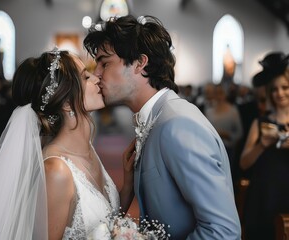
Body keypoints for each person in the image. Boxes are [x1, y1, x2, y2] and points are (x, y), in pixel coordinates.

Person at [84, 14, 241, 239]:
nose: (96, 74)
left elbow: (223, 230)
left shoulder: (178, 125)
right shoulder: (158, 118)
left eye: (105, 63)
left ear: (140, 63)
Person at [0, 48, 135, 239]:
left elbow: (104, 225)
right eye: (86, 77)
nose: (97, 78)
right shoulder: (56, 170)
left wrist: (127, 186)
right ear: (66, 104)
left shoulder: (87, 150)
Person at [239, 52, 289, 240]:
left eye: (285, 87)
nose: (280, 94)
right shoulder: (260, 123)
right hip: (265, 194)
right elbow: (243, 164)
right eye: (274, 89)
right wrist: (262, 144)